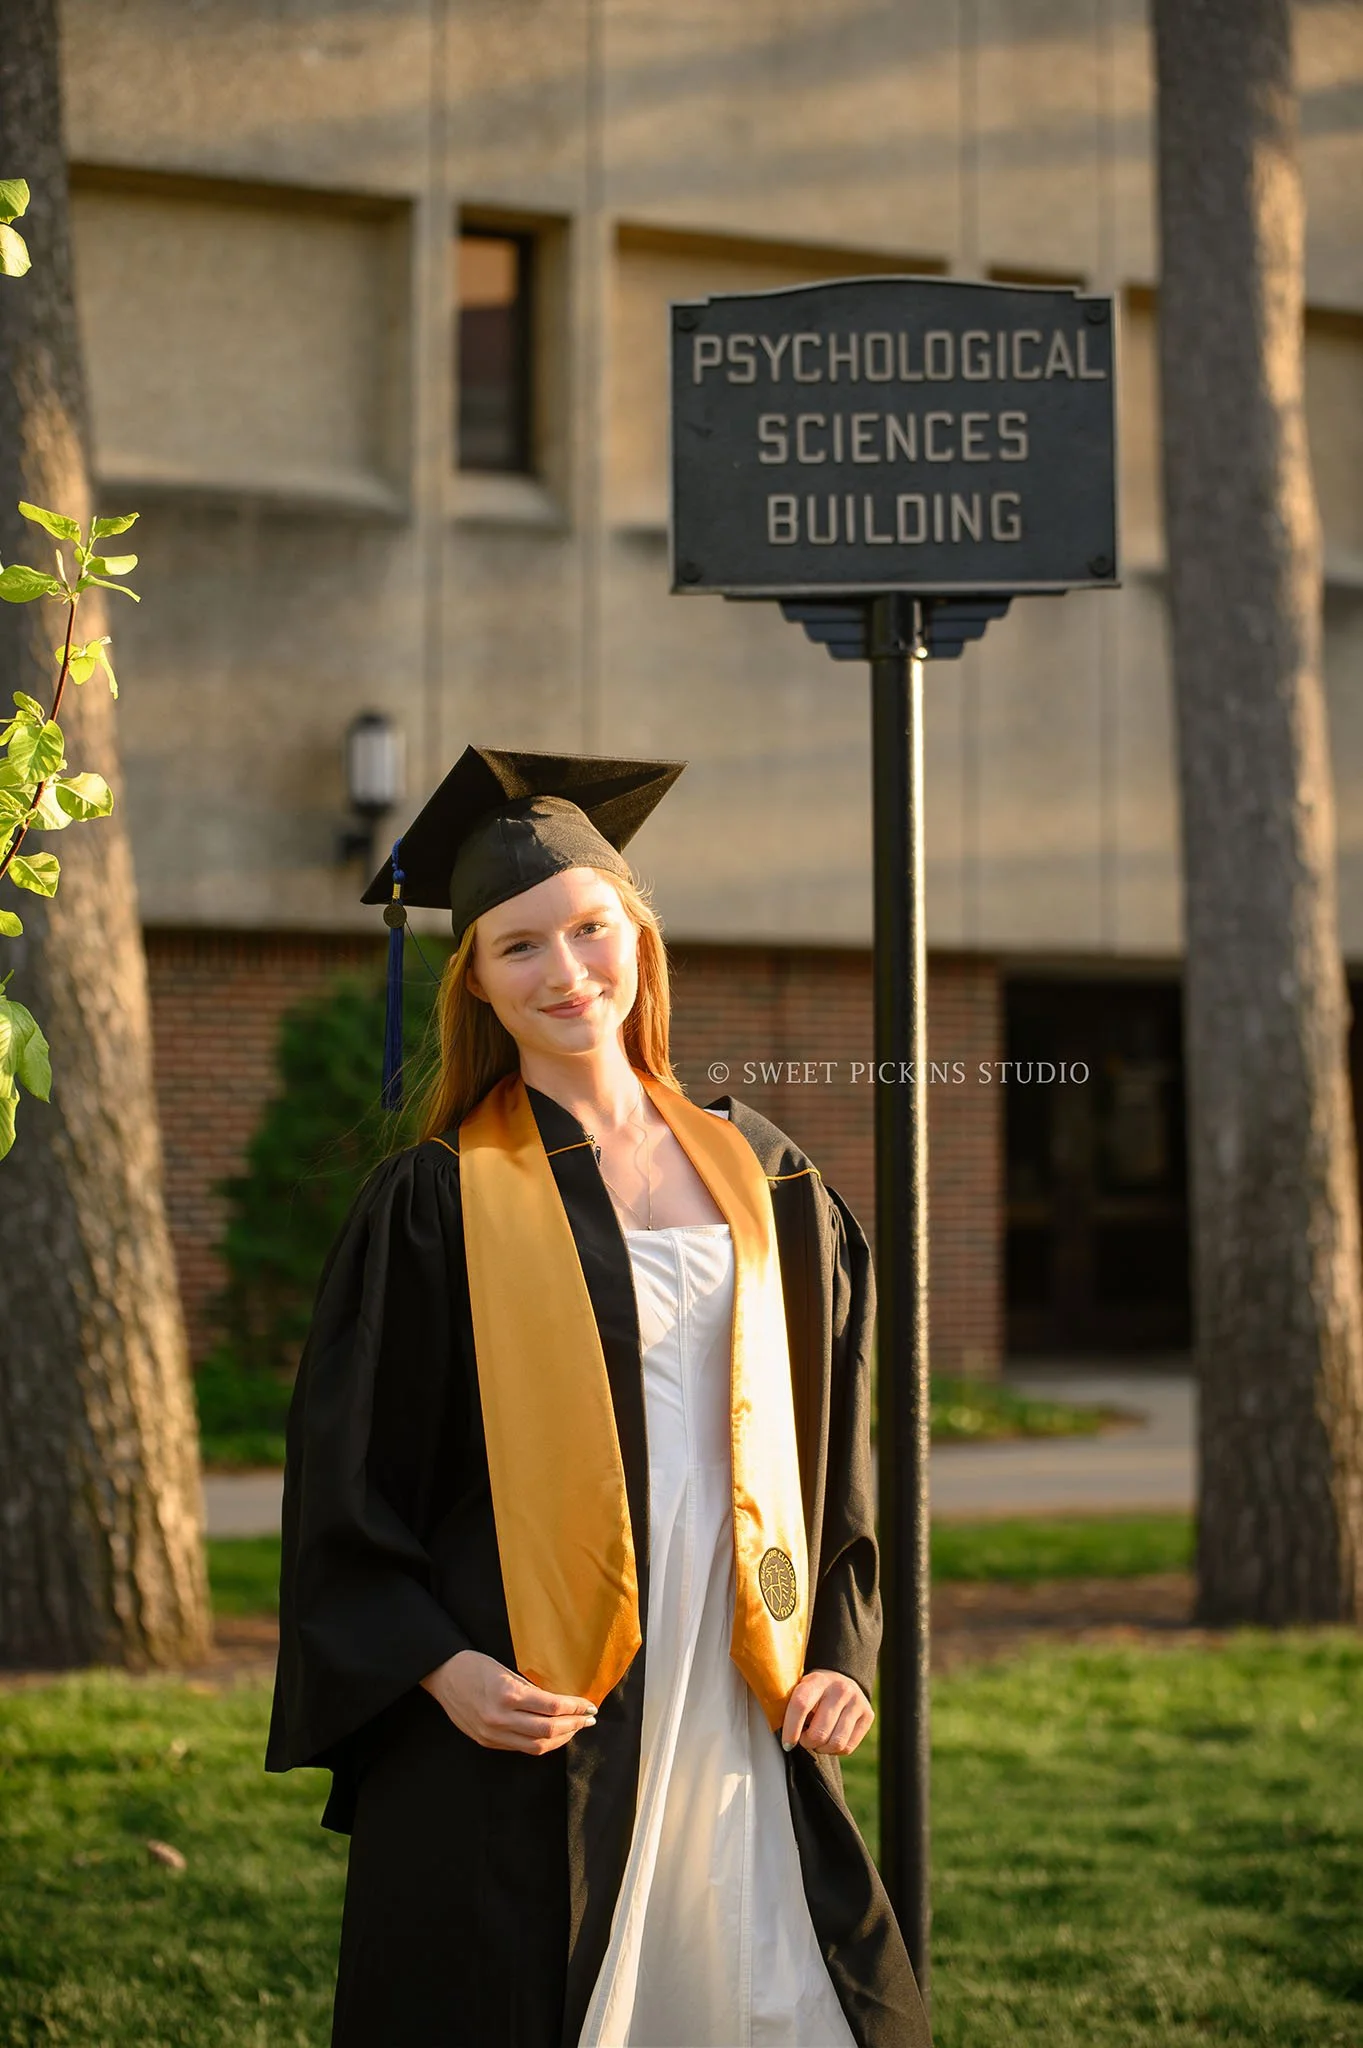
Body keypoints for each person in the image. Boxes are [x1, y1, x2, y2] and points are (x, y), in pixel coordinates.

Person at [265, 744, 931, 2048]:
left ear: (638, 935)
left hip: (744, 1674)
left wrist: (841, 1651)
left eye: (589, 929)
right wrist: (436, 1668)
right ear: (472, 982)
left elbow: (836, 1449)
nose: (565, 974)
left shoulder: (770, 1178)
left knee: (765, 1985)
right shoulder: (437, 1202)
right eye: (518, 948)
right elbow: (347, 1485)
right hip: (533, 1696)